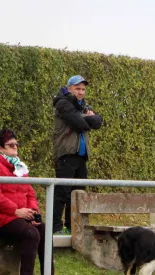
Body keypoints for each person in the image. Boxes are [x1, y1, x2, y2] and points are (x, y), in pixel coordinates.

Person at [0, 129, 68, 275]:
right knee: (31, 233)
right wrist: (16, 211)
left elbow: (30, 193)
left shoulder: (19, 167)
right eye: (11, 144)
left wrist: (33, 212)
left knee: (44, 229)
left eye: (16, 144)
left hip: (18, 216)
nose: (15, 147)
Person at [52, 75, 103, 234]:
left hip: (81, 155)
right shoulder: (63, 103)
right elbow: (80, 124)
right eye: (77, 89)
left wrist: (89, 118)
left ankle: (71, 226)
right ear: (69, 89)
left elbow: (98, 122)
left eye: (83, 89)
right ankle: (55, 228)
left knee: (77, 194)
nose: (81, 92)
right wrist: (88, 117)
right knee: (62, 193)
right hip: (66, 153)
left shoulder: (81, 106)